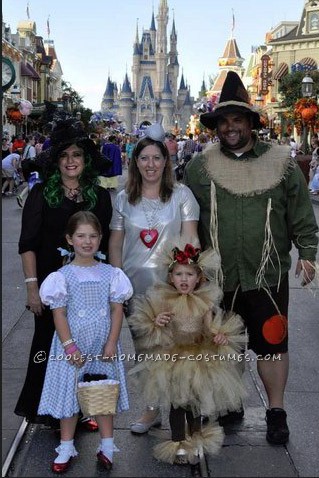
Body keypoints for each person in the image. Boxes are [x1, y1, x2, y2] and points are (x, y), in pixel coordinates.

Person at [184, 71, 318, 445]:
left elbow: (301, 214)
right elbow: (184, 216)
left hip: (268, 274)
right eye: (223, 121)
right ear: (216, 126)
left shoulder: (282, 164)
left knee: (273, 344)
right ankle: (231, 402)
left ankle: (276, 411)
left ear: (250, 123)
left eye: (237, 120)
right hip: (218, 277)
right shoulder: (199, 168)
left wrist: (308, 254)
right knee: (227, 345)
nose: (230, 127)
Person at [14, 117, 113, 431]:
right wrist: (32, 288)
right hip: (51, 287)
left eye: (77, 156)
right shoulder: (42, 193)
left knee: (84, 348)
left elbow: (106, 245)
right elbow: (28, 244)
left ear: (85, 161)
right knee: (47, 346)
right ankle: (45, 409)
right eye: (64, 156)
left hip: (88, 289)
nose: (71, 162)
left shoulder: (99, 196)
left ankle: (81, 409)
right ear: (56, 162)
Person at [108, 122, 200, 434]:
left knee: (176, 350)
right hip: (136, 290)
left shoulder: (182, 196)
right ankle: (150, 409)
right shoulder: (123, 199)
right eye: (144, 158)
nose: (150, 164)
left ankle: (179, 409)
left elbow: (192, 241)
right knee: (145, 351)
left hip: (172, 289)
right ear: (135, 162)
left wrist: (187, 281)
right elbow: (116, 243)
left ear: (166, 162)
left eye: (156, 158)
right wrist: (118, 285)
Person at [127, 241, 247, 471]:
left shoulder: (203, 303)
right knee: (176, 404)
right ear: (171, 277)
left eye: (189, 274)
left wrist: (219, 336)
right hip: (172, 358)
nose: (184, 279)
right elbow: (153, 329)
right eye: (179, 274)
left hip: (197, 358)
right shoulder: (164, 299)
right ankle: (178, 443)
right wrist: (157, 322)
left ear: (198, 278)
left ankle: (194, 440)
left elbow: (209, 329)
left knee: (194, 403)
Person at [38, 211, 133, 473]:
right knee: (69, 394)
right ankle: (66, 446)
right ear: (70, 239)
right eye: (81, 236)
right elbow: (59, 313)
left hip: (103, 344)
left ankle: (107, 446)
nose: (87, 241)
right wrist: (69, 346)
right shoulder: (61, 276)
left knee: (103, 393)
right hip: (72, 345)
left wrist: (112, 342)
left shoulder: (111, 274)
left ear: (100, 239)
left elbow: (116, 310)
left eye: (93, 236)